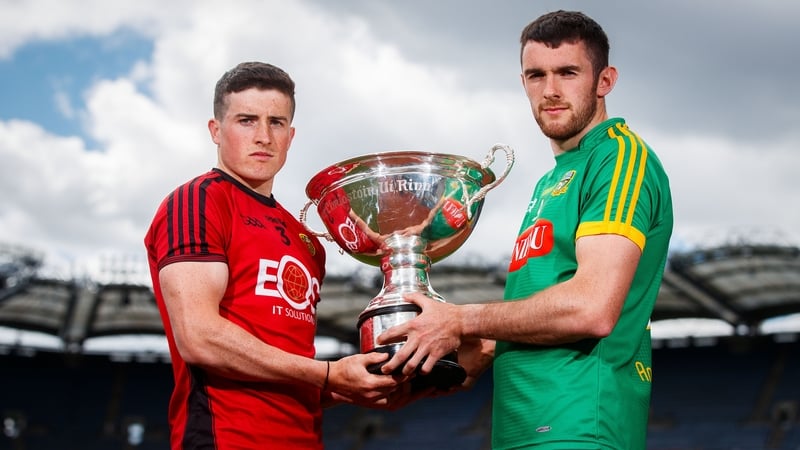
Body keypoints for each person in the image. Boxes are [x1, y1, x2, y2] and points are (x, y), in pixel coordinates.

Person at [378, 10, 674, 449]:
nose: (550, 91)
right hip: (525, 428)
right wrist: (485, 348)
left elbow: (591, 309)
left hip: (577, 427)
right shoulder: (551, 180)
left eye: (568, 73)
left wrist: (460, 320)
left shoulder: (619, 159)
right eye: (536, 75)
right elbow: (551, 301)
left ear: (605, 80)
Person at [144, 61, 399, 450]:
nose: (263, 136)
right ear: (216, 130)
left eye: (276, 122)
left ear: (291, 135)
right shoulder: (198, 202)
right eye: (246, 120)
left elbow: (293, 373)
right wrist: (329, 374)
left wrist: (359, 385)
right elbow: (199, 338)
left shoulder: (306, 239)